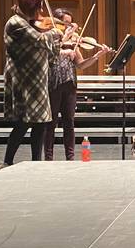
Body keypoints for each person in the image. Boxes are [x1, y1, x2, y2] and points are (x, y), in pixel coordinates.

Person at [1, 0, 62, 168]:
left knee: (41, 123)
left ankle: (37, 163)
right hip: (23, 79)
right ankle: (7, 161)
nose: (41, 14)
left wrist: (58, 42)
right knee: (23, 122)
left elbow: (51, 53)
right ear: (29, 7)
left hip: (38, 80)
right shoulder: (15, 23)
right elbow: (39, 40)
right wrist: (54, 33)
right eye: (38, 9)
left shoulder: (29, 22)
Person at [43, 9, 112, 161]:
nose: (69, 27)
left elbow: (80, 65)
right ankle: (48, 158)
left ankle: (70, 156)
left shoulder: (73, 42)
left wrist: (97, 56)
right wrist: (66, 37)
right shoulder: (50, 40)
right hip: (52, 84)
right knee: (51, 123)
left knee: (69, 122)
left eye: (70, 23)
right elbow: (48, 55)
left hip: (69, 85)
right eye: (65, 24)